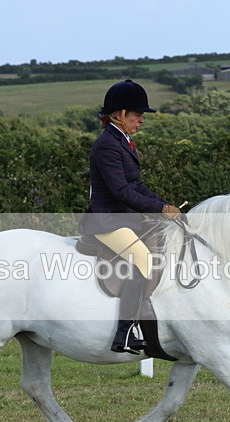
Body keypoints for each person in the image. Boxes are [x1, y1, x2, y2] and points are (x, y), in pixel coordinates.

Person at [79, 79, 181, 355]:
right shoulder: (107, 145)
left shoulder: (123, 141)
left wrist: (164, 205)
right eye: (137, 114)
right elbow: (121, 191)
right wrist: (158, 209)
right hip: (106, 221)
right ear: (120, 114)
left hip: (123, 218)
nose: (141, 120)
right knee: (143, 259)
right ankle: (124, 333)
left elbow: (136, 185)